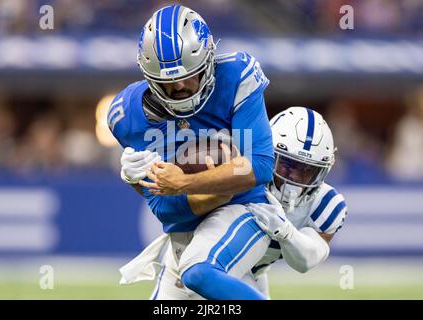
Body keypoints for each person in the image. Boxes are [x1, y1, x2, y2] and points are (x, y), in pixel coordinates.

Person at [110, 5, 274, 299]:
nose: (181, 86)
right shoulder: (126, 116)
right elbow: (166, 211)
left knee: (199, 271)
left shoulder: (237, 76)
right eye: (168, 81)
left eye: (190, 74)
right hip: (185, 235)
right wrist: (139, 181)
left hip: (245, 212)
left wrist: (184, 183)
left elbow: (259, 166)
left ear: (209, 61)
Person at [144, 107, 348, 299]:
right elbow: (176, 203)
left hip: (251, 275)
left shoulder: (325, 203)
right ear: (269, 154)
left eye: (306, 171)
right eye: (286, 165)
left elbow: (308, 260)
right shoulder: (239, 168)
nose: (293, 178)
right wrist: (142, 174)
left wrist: (285, 232)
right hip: (191, 264)